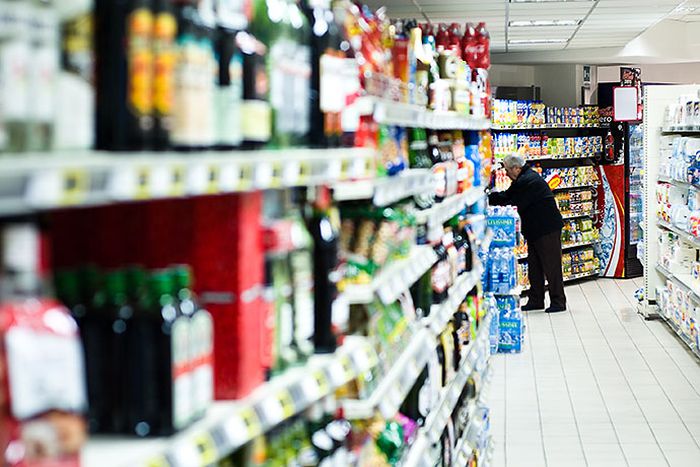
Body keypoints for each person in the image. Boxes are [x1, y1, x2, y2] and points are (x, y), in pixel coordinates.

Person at [488, 154, 567, 313]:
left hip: (547, 228)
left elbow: (512, 201)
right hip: (536, 229)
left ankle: (558, 301)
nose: (507, 174)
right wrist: (490, 197)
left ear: (516, 168)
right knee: (535, 266)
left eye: (508, 170)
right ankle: (536, 300)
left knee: (551, 266)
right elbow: (509, 195)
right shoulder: (524, 178)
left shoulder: (528, 181)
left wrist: (489, 199)